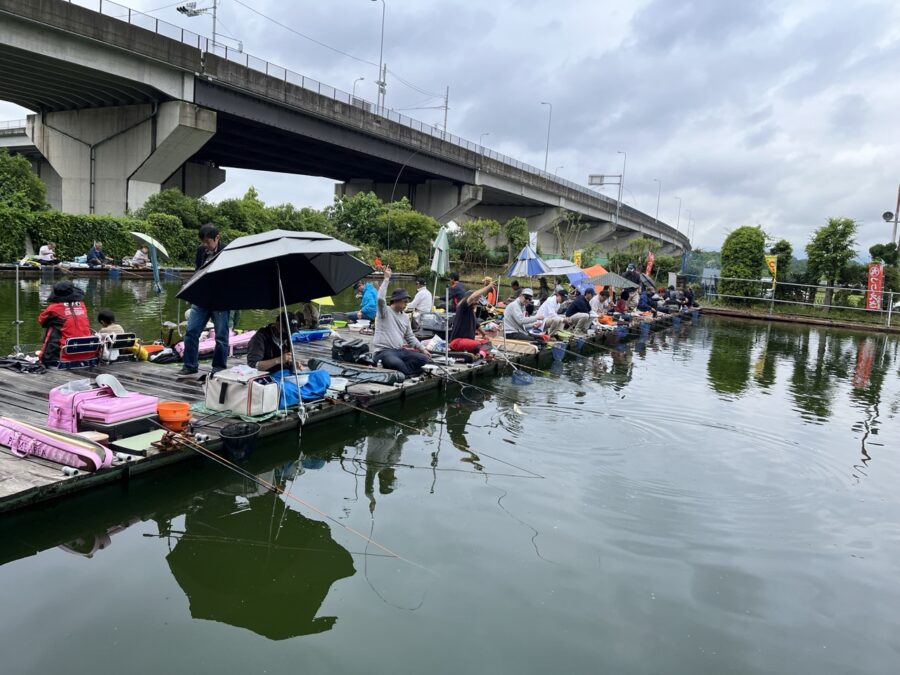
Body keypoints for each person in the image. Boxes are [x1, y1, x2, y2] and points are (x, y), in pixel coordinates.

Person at [178, 225, 230, 379]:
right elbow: (197, 271)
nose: (206, 246)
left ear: (217, 238)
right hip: (201, 298)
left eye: (208, 242)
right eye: (203, 243)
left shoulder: (228, 252)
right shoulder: (201, 251)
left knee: (221, 336)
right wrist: (190, 287)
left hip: (221, 299)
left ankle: (219, 367)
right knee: (191, 331)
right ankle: (190, 365)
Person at [372, 267, 431, 377]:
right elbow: (380, 299)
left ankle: (404, 372)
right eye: (404, 302)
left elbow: (410, 337)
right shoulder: (384, 312)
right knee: (395, 362)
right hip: (383, 352)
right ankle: (407, 372)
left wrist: (423, 349)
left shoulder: (404, 317)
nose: (405, 305)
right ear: (396, 300)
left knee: (423, 359)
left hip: (399, 351)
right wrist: (386, 279)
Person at [38, 281, 92, 366]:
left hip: (65, 354)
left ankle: (46, 358)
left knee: (53, 327)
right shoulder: (82, 305)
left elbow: (41, 321)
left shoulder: (54, 308)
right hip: (87, 351)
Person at [448, 277, 494, 354]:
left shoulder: (471, 312)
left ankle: (481, 354)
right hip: (457, 341)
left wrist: (484, 335)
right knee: (477, 345)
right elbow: (473, 296)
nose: (477, 302)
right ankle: (481, 355)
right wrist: (488, 287)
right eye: (476, 300)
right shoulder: (463, 306)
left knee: (487, 343)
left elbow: (477, 325)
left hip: (468, 342)